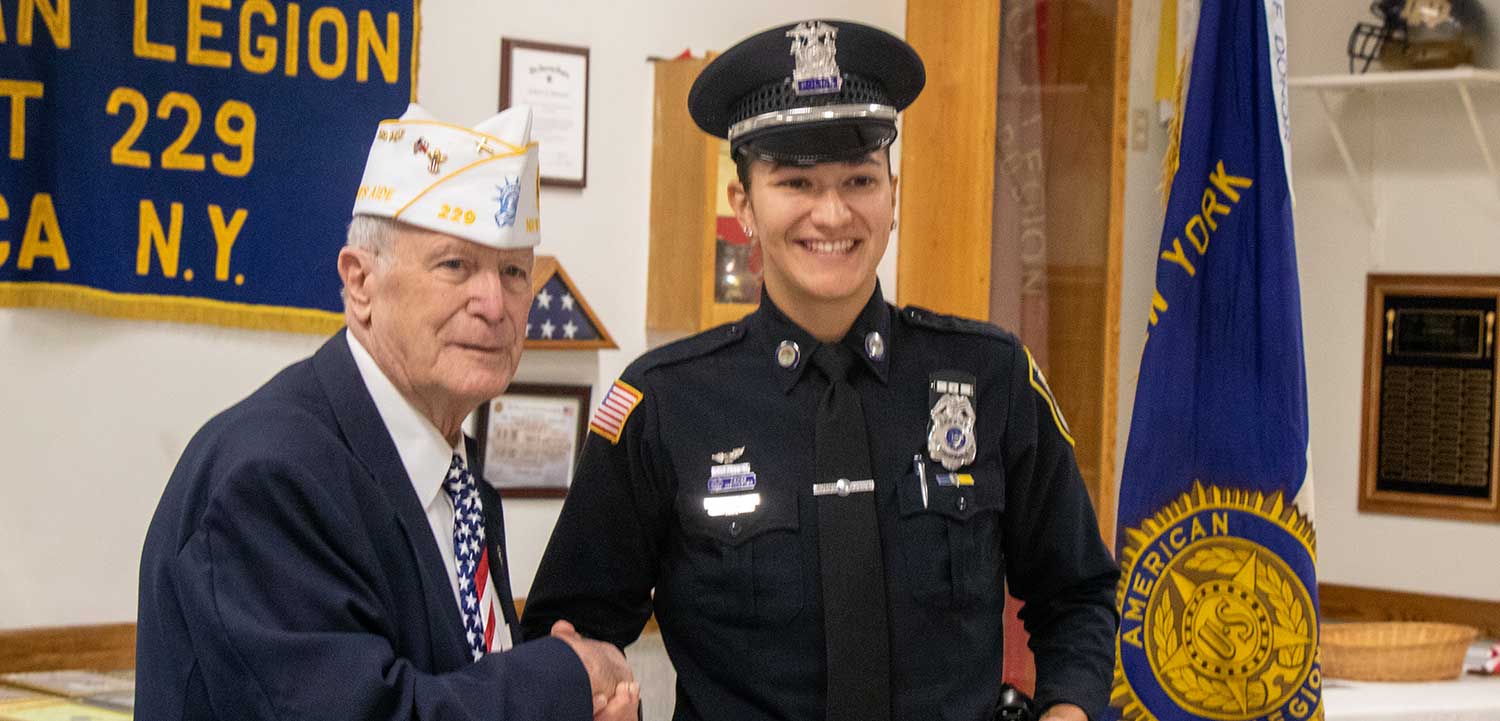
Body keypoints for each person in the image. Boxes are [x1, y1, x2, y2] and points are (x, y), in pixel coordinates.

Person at [521, 19, 1120, 721]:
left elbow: (1078, 592)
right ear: (743, 204)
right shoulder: (664, 404)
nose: (831, 213)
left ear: (892, 195)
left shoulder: (991, 378)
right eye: (796, 181)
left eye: (860, 179)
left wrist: (1069, 710)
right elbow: (569, 634)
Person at [136, 104, 638, 721]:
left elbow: (458, 683)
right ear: (360, 284)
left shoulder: (460, 480)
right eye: (455, 264)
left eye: (512, 272)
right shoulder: (269, 475)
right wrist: (566, 677)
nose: (493, 303)